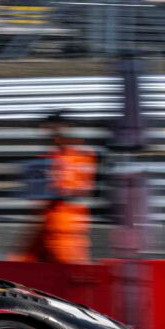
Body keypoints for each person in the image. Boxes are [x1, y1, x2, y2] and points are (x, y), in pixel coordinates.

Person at [16, 111, 97, 264]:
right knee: (25, 264)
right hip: (47, 222)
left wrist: (59, 182)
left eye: (51, 128)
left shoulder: (79, 156)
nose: (47, 133)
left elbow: (81, 187)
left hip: (65, 226)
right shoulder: (49, 157)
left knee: (68, 269)